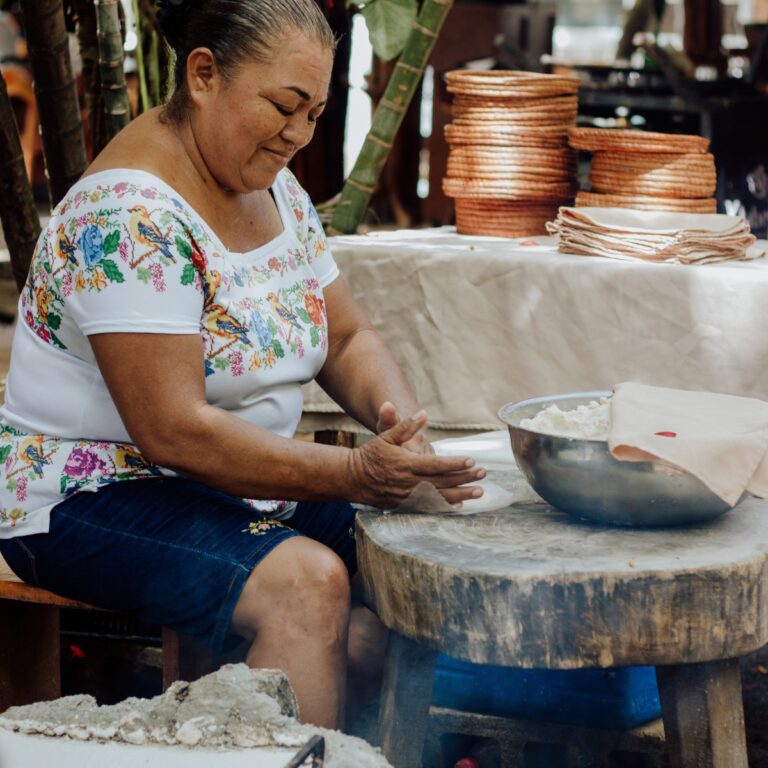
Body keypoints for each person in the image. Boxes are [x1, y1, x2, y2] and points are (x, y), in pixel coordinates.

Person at [0, 0, 485, 729]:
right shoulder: (127, 215)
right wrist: (356, 473)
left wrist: (401, 429)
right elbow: (175, 433)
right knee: (305, 585)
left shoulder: (272, 182)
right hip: (87, 490)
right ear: (203, 74)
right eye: (283, 106)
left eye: (315, 113)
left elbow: (346, 338)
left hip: (223, 477)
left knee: (407, 550)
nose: (298, 134)